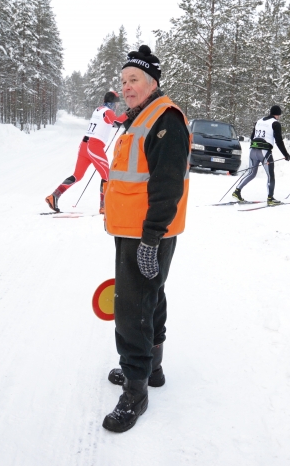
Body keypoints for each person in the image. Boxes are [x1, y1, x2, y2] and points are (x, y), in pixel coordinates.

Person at [102, 45, 190, 433]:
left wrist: (151, 238)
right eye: (123, 81)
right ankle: (151, 369)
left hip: (145, 232)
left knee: (131, 307)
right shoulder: (139, 118)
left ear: (153, 83)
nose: (127, 87)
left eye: (134, 80)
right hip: (132, 230)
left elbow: (168, 186)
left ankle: (135, 392)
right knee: (150, 295)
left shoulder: (164, 119)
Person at [45, 91, 127, 213]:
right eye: (116, 104)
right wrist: (129, 113)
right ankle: (104, 206)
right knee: (107, 176)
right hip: (94, 146)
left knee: (77, 175)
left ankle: (54, 196)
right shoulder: (107, 111)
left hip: (84, 145)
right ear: (112, 103)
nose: (117, 107)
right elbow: (118, 122)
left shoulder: (98, 110)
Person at [231, 105, 290, 205]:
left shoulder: (259, 121)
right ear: (278, 115)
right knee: (270, 175)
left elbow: (252, 136)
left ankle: (237, 192)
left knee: (251, 173)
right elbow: (279, 141)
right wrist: (286, 154)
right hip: (264, 152)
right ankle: (270, 199)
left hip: (252, 151)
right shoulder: (275, 123)